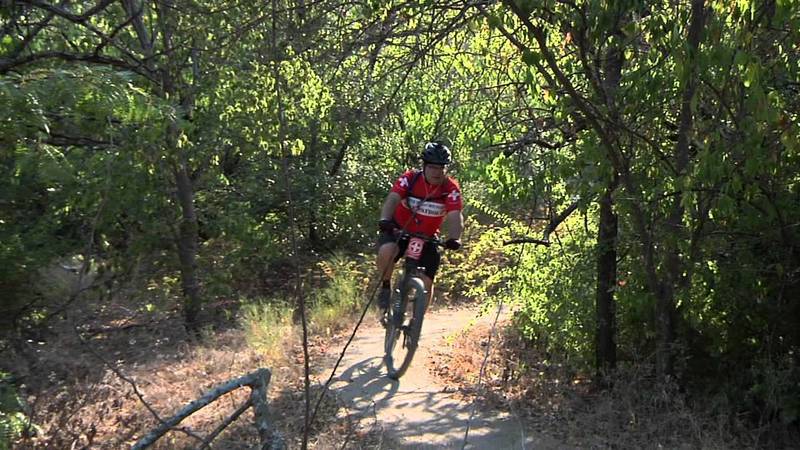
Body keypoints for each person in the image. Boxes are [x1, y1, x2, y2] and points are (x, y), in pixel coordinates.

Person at [376, 141, 464, 320]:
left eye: (441, 168)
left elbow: (455, 215)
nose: (436, 172)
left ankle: (417, 322)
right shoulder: (409, 179)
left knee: (427, 281)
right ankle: (385, 287)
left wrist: (455, 237)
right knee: (386, 251)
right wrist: (385, 219)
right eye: (432, 167)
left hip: (428, 237)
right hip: (399, 230)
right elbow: (393, 199)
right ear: (424, 166)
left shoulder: (450, 188)